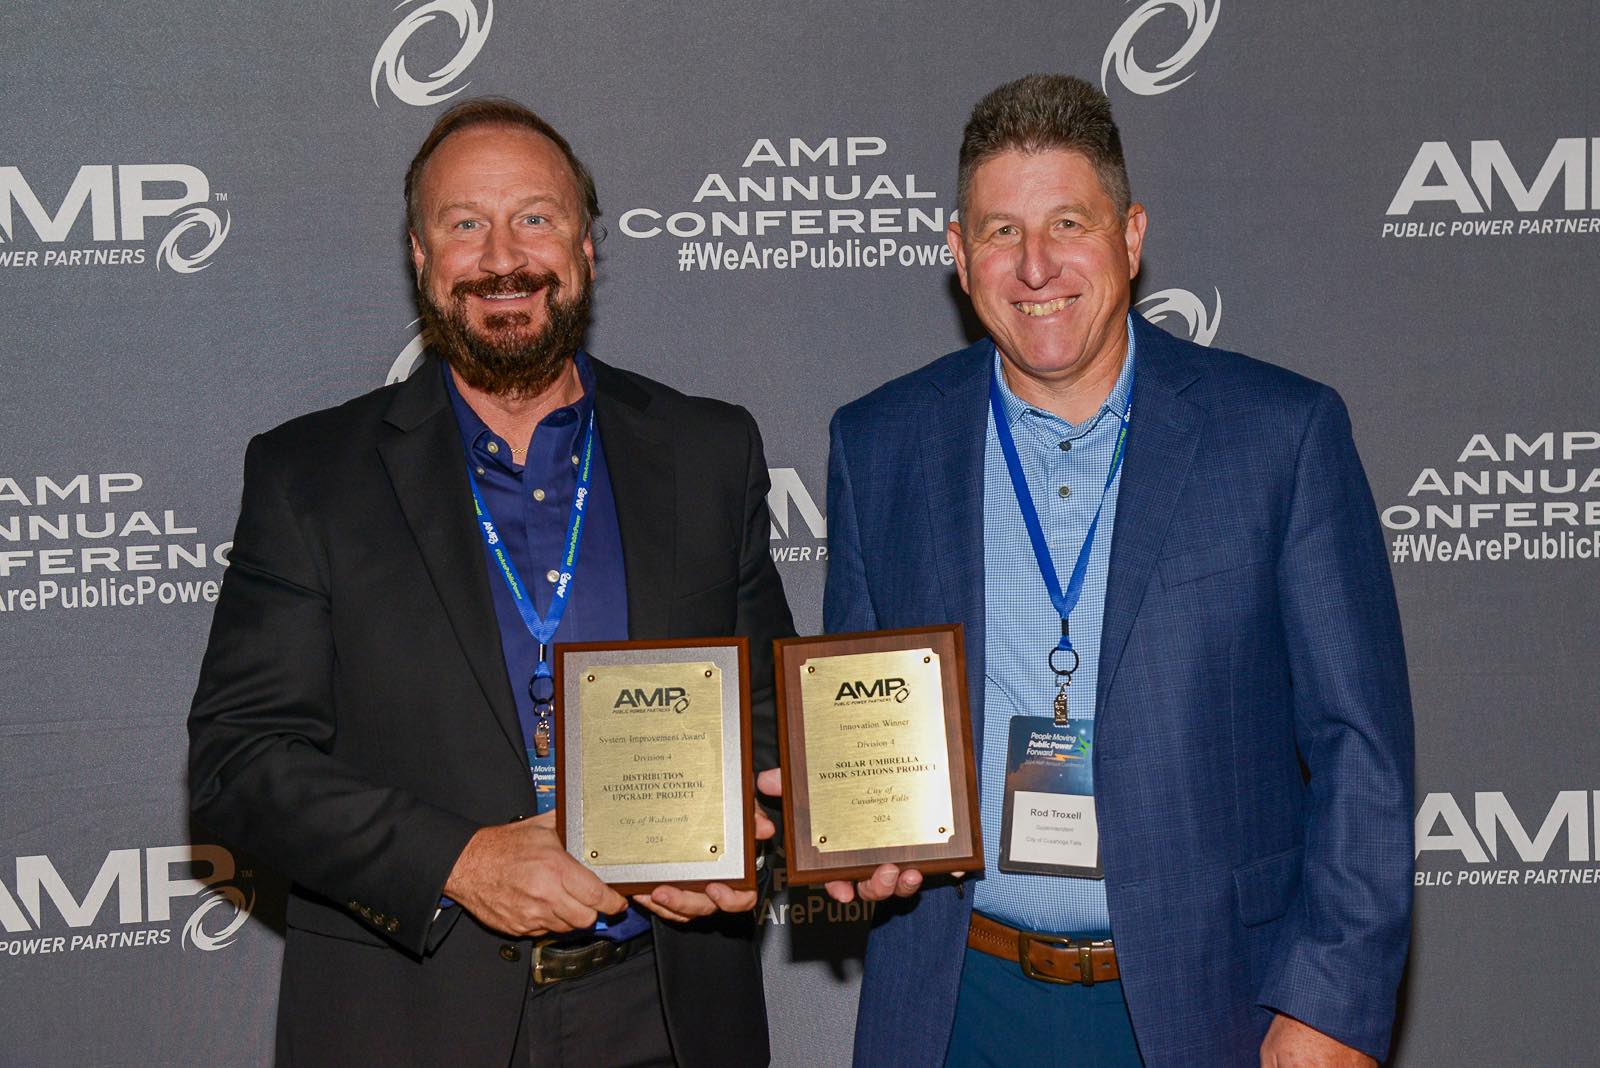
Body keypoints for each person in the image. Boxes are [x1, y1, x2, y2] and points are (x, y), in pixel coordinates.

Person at [820, 75, 1413, 1067]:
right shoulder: (878, 443)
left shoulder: (1280, 435)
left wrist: (1330, 1005)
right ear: (959, 256)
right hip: (954, 1004)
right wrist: (845, 836)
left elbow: (1360, 748)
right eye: (1000, 232)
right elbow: (862, 719)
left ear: (1130, 238)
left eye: (1067, 223)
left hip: (1211, 1008)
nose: (1036, 264)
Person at [188, 97, 793, 1067]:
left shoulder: (707, 449)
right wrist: (458, 860)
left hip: (671, 1014)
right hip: (414, 1019)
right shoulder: (311, 475)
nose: (502, 256)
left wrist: (733, 841)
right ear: (420, 258)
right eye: (464, 223)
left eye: (535, 218)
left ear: (588, 247)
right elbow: (241, 763)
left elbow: (767, 706)